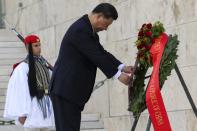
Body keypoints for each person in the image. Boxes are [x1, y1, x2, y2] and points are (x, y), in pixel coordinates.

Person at [50, 3, 133, 131]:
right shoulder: (80, 30)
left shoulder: (89, 31)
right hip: (65, 90)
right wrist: (118, 75)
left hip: (70, 92)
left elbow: (102, 52)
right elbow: (96, 56)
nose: (106, 29)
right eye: (106, 24)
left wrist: (122, 67)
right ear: (99, 16)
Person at [4, 35, 54, 131]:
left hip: (47, 106)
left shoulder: (44, 64)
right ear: (28, 48)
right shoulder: (22, 67)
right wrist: (22, 113)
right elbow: (20, 91)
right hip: (33, 108)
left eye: (39, 45)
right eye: (36, 46)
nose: (39, 48)